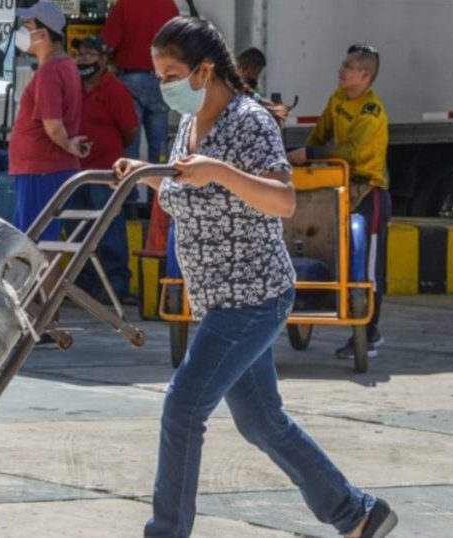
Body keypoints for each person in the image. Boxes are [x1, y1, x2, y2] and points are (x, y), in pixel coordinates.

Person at [113, 17, 397, 538]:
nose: (162, 86)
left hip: (252, 296)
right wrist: (147, 173)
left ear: (203, 70)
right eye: (158, 75)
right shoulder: (190, 122)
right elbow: (192, 190)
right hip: (219, 299)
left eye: (170, 73)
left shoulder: (249, 122)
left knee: (183, 406)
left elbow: (281, 198)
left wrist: (218, 170)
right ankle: (356, 514)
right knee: (261, 421)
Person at [288, 43, 390, 361]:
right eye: (342, 65)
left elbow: (351, 151)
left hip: (368, 193)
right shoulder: (337, 99)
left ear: (365, 74)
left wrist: (311, 155)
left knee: (369, 267)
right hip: (335, 187)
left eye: (348, 67)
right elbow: (320, 136)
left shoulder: (372, 111)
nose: (341, 70)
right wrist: (306, 157)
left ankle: (369, 333)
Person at [8, 1, 87, 241]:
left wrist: (68, 146)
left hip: (42, 169)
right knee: (40, 244)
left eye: (28, 25)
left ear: (42, 34)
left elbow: (53, 125)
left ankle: (47, 281)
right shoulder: (62, 67)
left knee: (36, 245)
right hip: (46, 168)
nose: (22, 30)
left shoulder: (50, 72)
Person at [72, 34, 138, 303]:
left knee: (109, 229)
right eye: (80, 55)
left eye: (89, 55)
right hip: (75, 172)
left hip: (105, 172)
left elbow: (130, 130)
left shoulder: (114, 89)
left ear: (103, 60)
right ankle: (85, 284)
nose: (82, 59)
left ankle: (116, 284)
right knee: (77, 228)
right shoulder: (72, 86)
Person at [101, 0, 179, 162]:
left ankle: (129, 184)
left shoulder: (124, 5)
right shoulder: (169, 5)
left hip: (131, 80)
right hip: (161, 80)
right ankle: (160, 185)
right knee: (160, 144)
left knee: (130, 143)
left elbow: (107, 44)